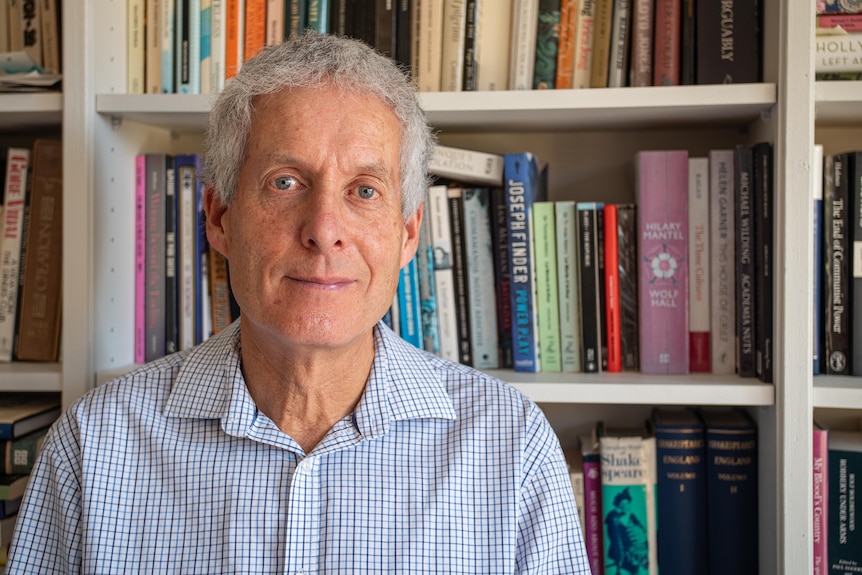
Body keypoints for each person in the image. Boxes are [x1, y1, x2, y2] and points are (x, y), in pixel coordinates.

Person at [8, 32, 590, 574]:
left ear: (408, 234)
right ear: (219, 218)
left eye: (364, 190)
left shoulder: (509, 446)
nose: (324, 230)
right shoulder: (95, 446)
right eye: (285, 182)